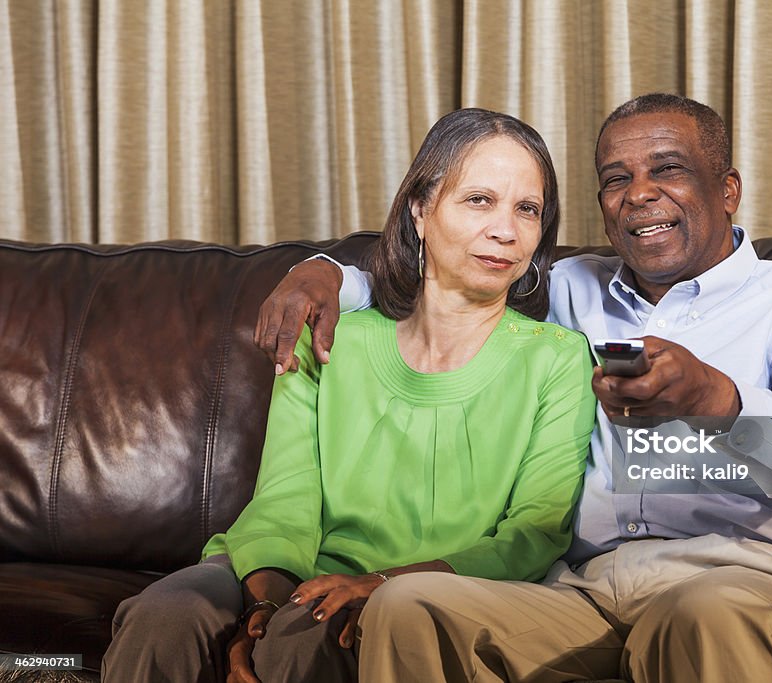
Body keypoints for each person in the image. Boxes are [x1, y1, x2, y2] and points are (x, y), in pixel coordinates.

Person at [255, 94, 772, 682]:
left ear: (729, 189)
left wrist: (712, 396)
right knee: (410, 603)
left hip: (749, 582)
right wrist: (324, 275)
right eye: (614, 178)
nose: (639, 194)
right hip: (586, 593)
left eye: (668, 170)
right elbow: (446, 281)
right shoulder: (575, 286)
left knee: (700, 615)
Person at [100, 108, 596, 683]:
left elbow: (533, 535)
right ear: (420, 211)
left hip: (434, 588)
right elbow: (284, 499)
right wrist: (263, 603)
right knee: (163, 617)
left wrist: (380, 584)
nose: (506, 231)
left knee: (306, 635)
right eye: (479, 200)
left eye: (527, 209)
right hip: (274, 562)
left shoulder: (558, 359)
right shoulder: (329, 339)